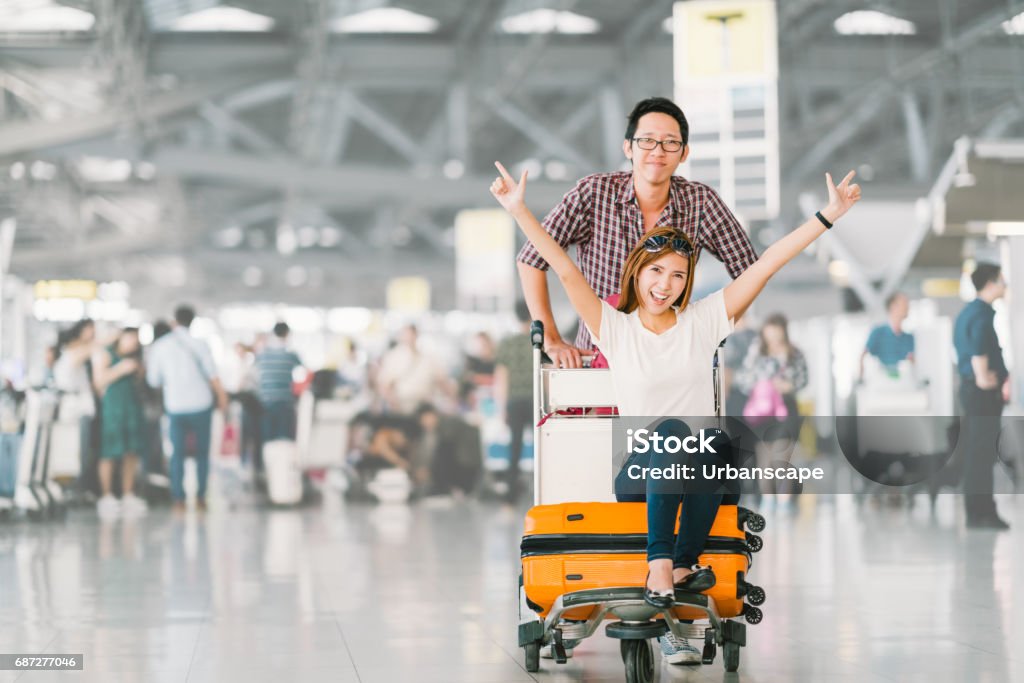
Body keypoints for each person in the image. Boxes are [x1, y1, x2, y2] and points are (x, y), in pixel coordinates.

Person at [491, 159, 860, 662]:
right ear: (638, 272)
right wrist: (519, 210)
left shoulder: (706, 321)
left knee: (717, 440)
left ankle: (680, 565)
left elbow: (767, 262)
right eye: (656, 271)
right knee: (669, 431)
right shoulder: (614, 328)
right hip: (639, 473)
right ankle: (662, 564)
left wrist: (829, 216)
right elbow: (563, 267)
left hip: (698, 466)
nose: (664, 284)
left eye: (678, 275)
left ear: (688, 282)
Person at [517, 96, 758, 370]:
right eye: (647, 141)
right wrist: (551, 339)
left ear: (684, 153)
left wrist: (709, 329)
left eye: (670, 142)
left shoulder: (700, 202)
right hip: (599, 360)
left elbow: (751, 272)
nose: (658, 151)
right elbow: (530, 259)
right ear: (628, 148)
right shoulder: (593, 194)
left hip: (671, 361)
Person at [146, 305, 228, 513]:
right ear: (193, 321)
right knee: (201, 453)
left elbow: (153, 380)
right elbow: (212, 374)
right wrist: (222, 398)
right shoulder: (201, 344)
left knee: (177, 454)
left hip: (176, 406)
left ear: (175, 321)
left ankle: (178, 499)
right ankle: (201, 498)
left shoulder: (161, 346)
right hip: (201, 405)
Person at [953, 262, 1010, 530]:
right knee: (983, 452)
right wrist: (983, 375)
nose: (1004, 286)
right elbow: (977, 344)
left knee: (978, 452)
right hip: (980, 393)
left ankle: (979, 511)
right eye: (1001, 280)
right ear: (989, 283)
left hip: (972, 391)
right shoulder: (981, 313)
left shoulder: (969, 311)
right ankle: (981, 512)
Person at [734, 314, 809, 494]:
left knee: (782, 456)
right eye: (770, 334)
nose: (774, 338)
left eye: (777, 333)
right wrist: (761, 384)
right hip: (761, 411)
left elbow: (803, 379)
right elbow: (742, 380)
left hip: (786, 409)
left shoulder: (794, 353)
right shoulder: (756, 353)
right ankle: (768, 499)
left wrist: (788, 385)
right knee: (764, 457)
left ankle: (783, 500)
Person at [92, 328, 148, 519]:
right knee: (109, 452)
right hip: (112, 411)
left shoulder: (137, 359)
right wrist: (120, 369)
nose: (133, 342)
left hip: (132, 409)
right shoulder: (107, 355)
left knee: (131, 452)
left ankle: (128, 494)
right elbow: (98, 382)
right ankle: (107, 495)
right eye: (130, 337)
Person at [52, 319, 100, 500]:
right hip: (75, 410)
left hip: (77, 408)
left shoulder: (70, 356)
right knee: (77, 450)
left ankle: (79, 488)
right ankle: (76, 489)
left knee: (80, 449)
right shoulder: (71, 355)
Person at [494, 300, 535, 501]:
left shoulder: (507, 344)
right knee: (543, 447)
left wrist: (501, 408)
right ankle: (543, 491)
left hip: (515, 401)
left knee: (515, 447)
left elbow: (501, 378)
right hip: (537, 401)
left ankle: (510, 494)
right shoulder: (540, 341)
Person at [375, 324, 451, 414]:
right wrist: (393, 402)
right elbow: (384, 385)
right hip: (400, 406)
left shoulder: (428, 358)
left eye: (412, 334)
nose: (409, 338)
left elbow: (441, 381)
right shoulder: (393, 357)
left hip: (424, 407)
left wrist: (450, 398)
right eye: (406, 335)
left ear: (417, 335)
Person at [414, 403, 482, 497]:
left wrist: (430, 471)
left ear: (431, 415)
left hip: (466, 465)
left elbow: (442, 455)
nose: (423, 423)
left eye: (424, 419)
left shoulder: (447, 427)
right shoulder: (444, 424)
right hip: (467, 463)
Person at [254, 322, 304, 442]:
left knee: (268, 439)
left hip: (266, 402)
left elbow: (255, 373)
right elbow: (303, 371)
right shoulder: (291, 354)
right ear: (287, 334)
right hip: (285, 402)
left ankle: (270, 460)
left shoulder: (262, 353)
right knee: (284, 440)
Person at [861, 292, 914, 378]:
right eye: (904, 303)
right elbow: (864, 357)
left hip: (904, 385)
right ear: (893, 306)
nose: (907, 307)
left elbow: (913, 364)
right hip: (878, 385)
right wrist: (861, 379)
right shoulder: (877, 333)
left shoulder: (909, 338)